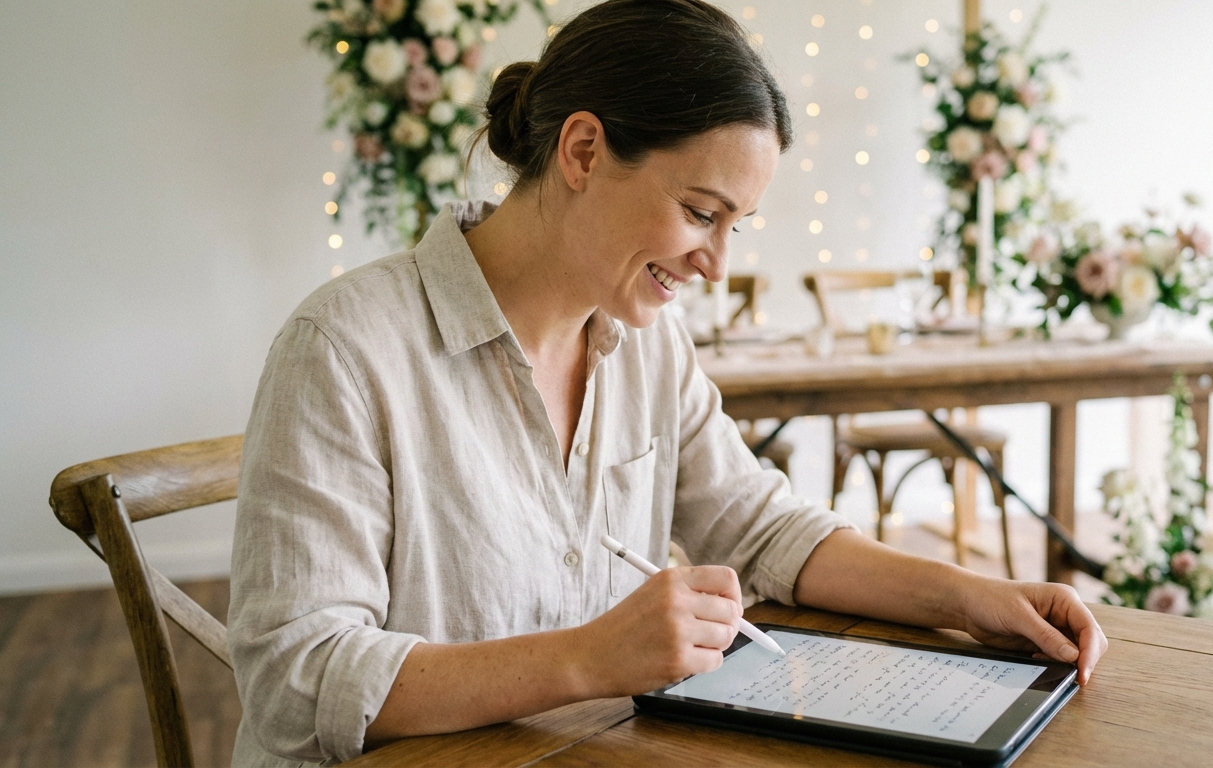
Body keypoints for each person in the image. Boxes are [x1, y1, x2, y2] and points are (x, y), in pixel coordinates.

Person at [228, 1, 1107, 764]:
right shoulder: (344, 348)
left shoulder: (648, 344)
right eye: (699, 213)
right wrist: (589, 658)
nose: (717, 264)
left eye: (736, 226)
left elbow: (760, 526)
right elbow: (294, 685)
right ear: (581, 149)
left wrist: (975, 597)